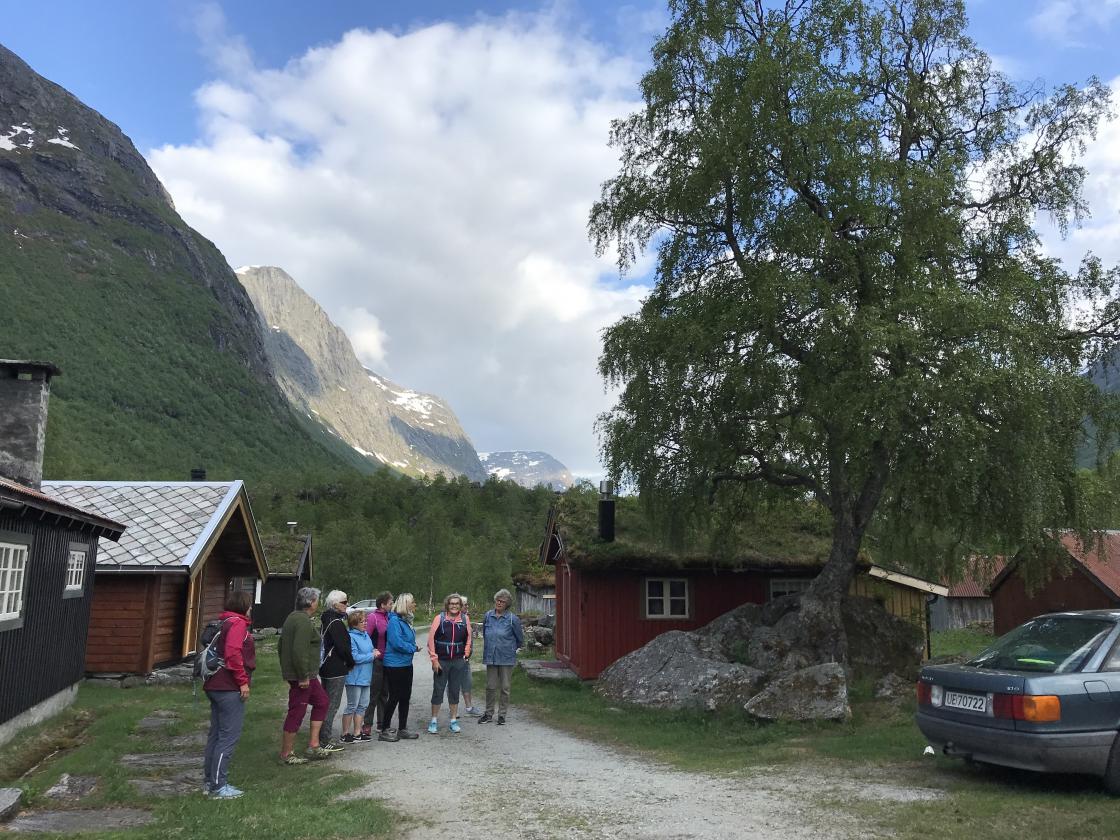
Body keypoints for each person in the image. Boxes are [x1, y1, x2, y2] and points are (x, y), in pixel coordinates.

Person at [202, 590, 255, 799]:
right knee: (228, 737)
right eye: (249, 604)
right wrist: (243, 682)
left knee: (215, 736)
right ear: (244, 605)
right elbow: (233, 653)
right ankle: (218, 786)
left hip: (215, 684)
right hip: (228, 687)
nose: (251, 607)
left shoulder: (224, 622)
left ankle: (209, 781)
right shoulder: (238, 624)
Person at [278, 586, 332, 763]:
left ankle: (314, 745)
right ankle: (287, 754)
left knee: (322, 702)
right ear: (310, 602)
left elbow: (280, 646)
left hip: (306, 674)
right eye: (317, 599)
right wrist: (302, 675)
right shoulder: (301, 621)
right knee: (297, 711)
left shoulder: (293, 618)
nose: (318, 603)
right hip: (303, 676)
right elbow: (298, 650)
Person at [426, 593, 473, 734]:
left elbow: (469, 638)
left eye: (456, 604)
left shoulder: (465, 619)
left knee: (454, 690)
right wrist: (434, 660)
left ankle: (453, 720)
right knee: (438, 690)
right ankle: (433, 721)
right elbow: (430, 640)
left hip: (458, 662)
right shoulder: (439, 618)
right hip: (441, 661)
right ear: (447, 605)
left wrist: (466, 654)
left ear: (460, 606)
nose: (454, 606)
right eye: (451, 603)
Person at [479, 588, 523, 725]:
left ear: (507, 604)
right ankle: (488, 713)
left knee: (505, 687)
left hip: (506, 658)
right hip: (491, 656)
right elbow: (485, 633)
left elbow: (519, 639)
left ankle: (502, 715)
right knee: (490, 686)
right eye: (497, 600)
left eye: (502, 601)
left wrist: (509, 649)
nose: (499, 603)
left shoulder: (512, 619)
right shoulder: (488, 616)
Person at [318, 590, 355, 752]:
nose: (347, 605)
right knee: (332, 705)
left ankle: (319, 735)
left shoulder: (326, 619)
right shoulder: (337, 623)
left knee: (326, 703)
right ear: (335, 605)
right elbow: (344, 647)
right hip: (336, 668)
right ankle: (325, 739)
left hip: (326, 666)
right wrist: (351, 661)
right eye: (344, 602)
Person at [380, 592, 419, 741]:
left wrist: (411, 648)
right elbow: (396, 643)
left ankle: (402, 728)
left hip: (406, 663)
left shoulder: (405, 620)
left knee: (405, 696)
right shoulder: (395, 621)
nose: (415, 605)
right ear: (406, 604)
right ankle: (384, 729)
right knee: (394, 696)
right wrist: (413, 648)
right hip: (394, 664)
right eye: (413, 602)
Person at [361, 591, 393, 738]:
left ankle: (382, 724)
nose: (392, 605)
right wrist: (372, 650)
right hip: (376, 660)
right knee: (373, 693)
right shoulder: (373, 617)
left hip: (388, 661)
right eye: (390, 603)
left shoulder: (389, 617)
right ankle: (367, 725)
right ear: (382, 604)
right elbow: (366, 637)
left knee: (384, 694)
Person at [342, 609, 376, 743]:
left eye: (365, 621)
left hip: (366, 676)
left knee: (363, 705)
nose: (365, 623)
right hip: (354, 677)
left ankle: (357, 733)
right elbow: (354, 657)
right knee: (352, 705)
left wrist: (373, 651)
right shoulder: (351, 637)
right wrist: (372, 655)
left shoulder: (366, 635)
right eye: (362, 621)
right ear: (354, 623)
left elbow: (369, 650)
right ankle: (344, 734)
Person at [460, 595, 481, 716]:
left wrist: (468, 653)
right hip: (456, 657)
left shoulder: (466, 618)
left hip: (466, 657)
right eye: (465, 605)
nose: (467, 606)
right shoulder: (454, 619)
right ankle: (454, 709)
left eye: (467, 604)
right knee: (453, 683)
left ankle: (469, 707)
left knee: (467, 682)